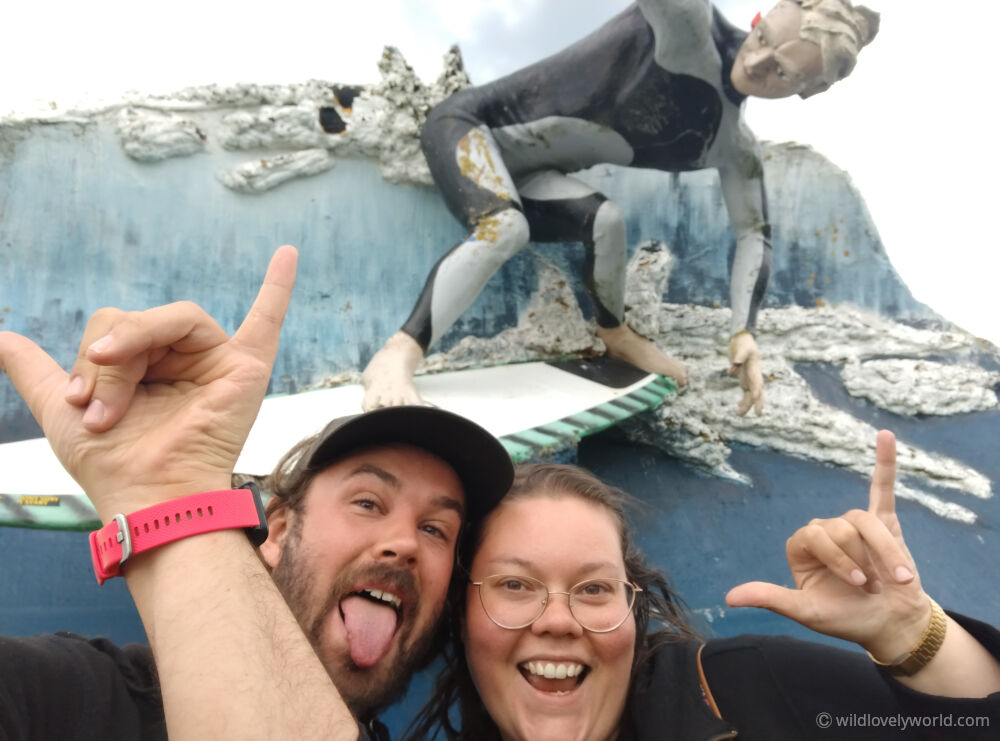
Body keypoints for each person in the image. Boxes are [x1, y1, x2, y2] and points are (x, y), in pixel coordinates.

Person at [0, 245, 514, 741]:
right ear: (280, 529)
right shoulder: (76, 702)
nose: (404, 543)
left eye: (434, 529)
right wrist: (167, 489)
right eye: (367, 503)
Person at [361, 0, 880, 417]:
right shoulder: (686, 19)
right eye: (762, 39)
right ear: (759, 17)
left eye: (782, 74)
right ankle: (397, 355)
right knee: (506, 228)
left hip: (527, 176)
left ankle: (615, 334)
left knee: (606, 222)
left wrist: (744, 332)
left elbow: (754, 232)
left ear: (808, 92)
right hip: (466, 127)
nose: (756, 63)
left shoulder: (731, 145)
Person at [409, 432, 1000, 739]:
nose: (558, 620)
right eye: (515, 585)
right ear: (462, 614)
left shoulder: (747, 690)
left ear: (633, 609)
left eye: (594, 589)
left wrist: (911, 635)